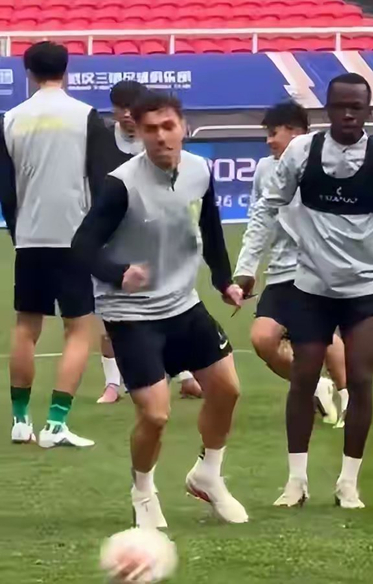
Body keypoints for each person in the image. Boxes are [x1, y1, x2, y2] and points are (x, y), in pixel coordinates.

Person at [235, 73, 373, 509]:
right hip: (311, 286)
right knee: (303, 378)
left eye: (356, 107)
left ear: (368, 111)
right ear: (327, 109)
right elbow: (268, 206)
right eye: (340, 106)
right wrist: (247, 267)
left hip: (364, 286)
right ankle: (296, 482)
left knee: (360, 378)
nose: (347, 114)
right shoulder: (302, 152)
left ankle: (348, 483)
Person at [72, 91, 248, 527]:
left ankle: (208, 475)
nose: (161, 137)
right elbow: (82, 246)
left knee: (227, 389)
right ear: (138, 132)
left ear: (183, 127)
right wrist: (118, 273)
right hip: (131, 313)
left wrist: (223, 280)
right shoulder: (121, 185)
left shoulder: (200, 171)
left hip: (183, 304)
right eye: (150, 129)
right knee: (155, 414)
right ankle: (143, 492)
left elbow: (209, 227)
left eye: (168, 126)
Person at [0, 41, 101, 448]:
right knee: (79, 329)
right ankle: (56, 425)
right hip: (75, 235)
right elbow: (102, 179)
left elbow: (6, 188)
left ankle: (20, 421)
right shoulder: (85, 115)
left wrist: (18, 231)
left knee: (26, 326)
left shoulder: (10, 119)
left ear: (28, 72)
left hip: (30, 237)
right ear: (66, 69)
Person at [237, 101, 348, 427]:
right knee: (263, 339)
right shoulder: (265, 170)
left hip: (319, 267)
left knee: (322, 335)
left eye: (274, 133)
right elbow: (258, 219)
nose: (269, 141)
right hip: (280, 270)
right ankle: (317, 387)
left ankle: (349, 399)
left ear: (297, 133)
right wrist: (246, 269)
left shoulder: (327, 163)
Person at [93, 80, 202, 404]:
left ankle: (184, 374)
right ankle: (113, 383)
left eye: (132, 108)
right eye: (121, 108)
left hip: (158, 235)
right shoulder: (101, 141)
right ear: (114, 111)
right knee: (112, 314)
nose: (127, 114)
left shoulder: (157, 144)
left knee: (171, 305)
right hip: (114, 238)